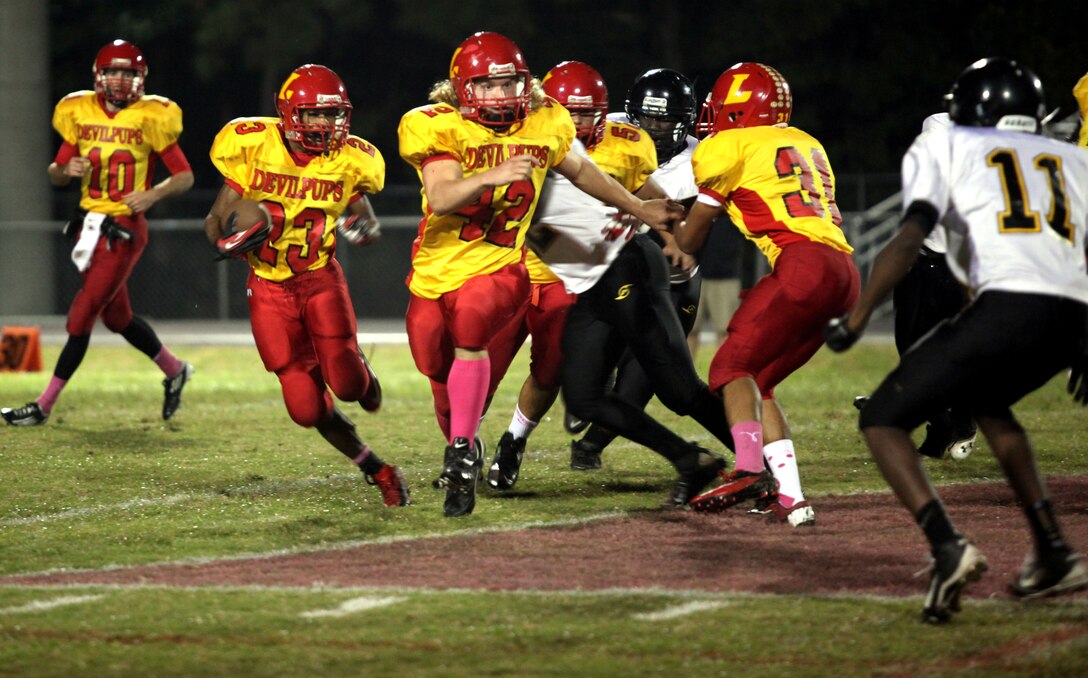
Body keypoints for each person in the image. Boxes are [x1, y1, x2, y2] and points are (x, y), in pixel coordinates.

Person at [825, 57, 1088, 623]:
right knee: (991, 406)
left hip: (1011, 304)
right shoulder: (1072, 157)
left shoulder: (948, 144)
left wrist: (856, 317)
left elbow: (910, 236)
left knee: (882, 419)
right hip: (1072, 313)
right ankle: (1051, 551)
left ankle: (948, 546)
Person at [397, 32, 681, 517]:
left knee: (474, 329)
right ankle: (461, 435)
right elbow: (442, 198)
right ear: (464, 88)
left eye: (509, 84)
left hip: (502, 265)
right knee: (435, 369)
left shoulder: (544, 119)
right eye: (488, 85)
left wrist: (639, 206)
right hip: (436, 269)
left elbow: (583, 171)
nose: (501, 95)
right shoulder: (436, 125)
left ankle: (463, 452)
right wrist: (492, 173)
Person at [204, 64, 409, 508]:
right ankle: (377, 468)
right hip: (268, 287)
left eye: (331, 114)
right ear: (288, 113)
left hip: (319, 280)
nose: (323, 124)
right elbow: (215, 220)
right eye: (312, 114)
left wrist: (364, 226)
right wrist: (228, 240)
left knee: (350, 386)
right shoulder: (252, 144)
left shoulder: (352, 159)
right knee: (305, 408)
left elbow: (364, 213)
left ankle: (363, 376)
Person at [672, 62, 860, 527]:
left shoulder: (727, 145)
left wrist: (668, 233)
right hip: (843, 273)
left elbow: (692, 238)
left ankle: (749, 466)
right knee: (759, 382)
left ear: (734, 111)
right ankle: (791, 498)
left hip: (802, 266)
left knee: (728, 367)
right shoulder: (804, 141)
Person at [484, 60, 662, 490]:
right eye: (572, 110)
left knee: (548, 374)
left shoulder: (628, 145)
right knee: (478, 371)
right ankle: (462, 450)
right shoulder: (523, 131)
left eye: (588, 111)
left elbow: (648, 196)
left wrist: (661, 220)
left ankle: (512, 443)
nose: (579, 120)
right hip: (507, 270)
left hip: (566, 282)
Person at [2, 40, 195, 427]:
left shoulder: (150, 116)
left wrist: (153, 194)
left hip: (123, 230)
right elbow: (56, 172)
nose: (120, 80)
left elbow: (185, 175)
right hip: (87, 227)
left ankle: (43, 406)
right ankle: (175, 370)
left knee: (82, 315)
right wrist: (64, 170)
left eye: (128, 72)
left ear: (141, 78)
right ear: (98, 76)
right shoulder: (80, 111)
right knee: (118, 318)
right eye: (113, 72)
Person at [568, 68, 705, 471]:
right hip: (614, 268)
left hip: (671, 275)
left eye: (665, 120)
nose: (655, 128)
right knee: (589, 365)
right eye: (647, 118)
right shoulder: (606, 132)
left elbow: (689, 235)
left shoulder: (701, 159)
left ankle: (591, 444)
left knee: (662, 379)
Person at [855, 113, 977, 462]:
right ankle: (942, 424)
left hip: (949, 265)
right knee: (917, 348)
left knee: (936, 351)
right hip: (934, 262)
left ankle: (948, 419)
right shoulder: (950, 133)